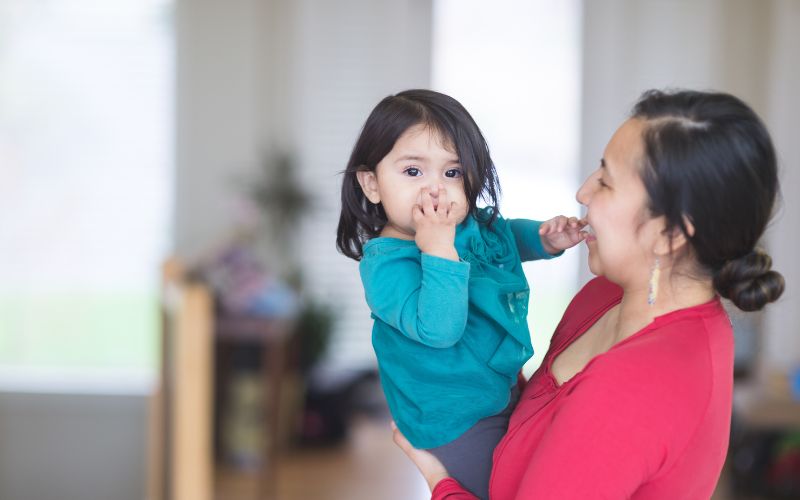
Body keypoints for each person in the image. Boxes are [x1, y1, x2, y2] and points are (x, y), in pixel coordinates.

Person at [393, 89, 785, 499]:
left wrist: (442, 482)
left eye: (606, 182)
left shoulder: (634, 390)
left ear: (669, 233)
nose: (582, 192)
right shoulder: (604, 295)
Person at [336, 89, 584, 499]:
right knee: (501, 489)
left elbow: (500, 238)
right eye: (413, 172)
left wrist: (544, 239)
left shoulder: (464, 223)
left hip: (496, 383)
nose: (436, 189)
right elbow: (439, 329)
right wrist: (438, 250)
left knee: (537, 467)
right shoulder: (387, 266)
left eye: (452, 173)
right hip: (451, 416)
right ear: (372, 183)